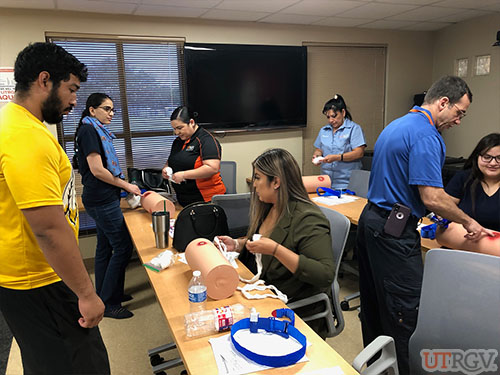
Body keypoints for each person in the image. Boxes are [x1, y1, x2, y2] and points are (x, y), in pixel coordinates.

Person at [355, 75, 494, 374]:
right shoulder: (427, 136)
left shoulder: (397, 126)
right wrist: (469, 221)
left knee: (375, 303)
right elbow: (431, 196)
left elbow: (405, 187)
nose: (458, 121)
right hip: (393, 229)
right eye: (459, 113)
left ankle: (380, 367)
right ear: (443, 102)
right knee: (406, 309)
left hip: (373, 220)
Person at [0, 42, 110, 374]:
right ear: (44, 80)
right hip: (40, 279)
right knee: (80, 364)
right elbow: (48, 229)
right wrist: (87, 293)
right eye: (71, 89)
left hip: (29, 276)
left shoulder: (19, 124)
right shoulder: (25, 137)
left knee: (47, 361)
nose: (76, 100)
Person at [216, 148, 335, 338]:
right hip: (264, 291)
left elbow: (324, 275)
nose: (253, 185)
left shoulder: (308, 218)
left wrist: (276, 250)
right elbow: (262, 240)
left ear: (276, 182)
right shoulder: (270, 207)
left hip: (292, 309)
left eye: (257, 178)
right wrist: (238, 245)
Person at [74, 93, 141, 319]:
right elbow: (97, 169)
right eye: (106, 109)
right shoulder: (89, 131)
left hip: (102, 197)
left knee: (104, 246)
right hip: (101, 199)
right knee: (122, 247)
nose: (111, 113)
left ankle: (106, 294)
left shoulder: (97, 129)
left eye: (113, 110)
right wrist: (127, 185)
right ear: (92, 110)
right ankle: (110, 303)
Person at [436, 133, 500, 256]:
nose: (493, 163)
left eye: (499, 158)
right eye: (487, 157)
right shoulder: (464, 178)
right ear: (477, 157)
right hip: (459, 253)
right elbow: (442, 213)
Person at [162, 106, 226, 206]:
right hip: (184, 199)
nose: (176, 132)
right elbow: (172, 160)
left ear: (191, 122)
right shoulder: (178, 141)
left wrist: (183, 175)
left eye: (180, 128)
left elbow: (212, 168)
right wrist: (166, 168)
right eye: (174, 129)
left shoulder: (206, 140)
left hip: (206, 200)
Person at [313, 94, 366, 189]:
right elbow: (319, 149)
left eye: (334, 116)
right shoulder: (324, 130)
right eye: (328, 117)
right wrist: (317, 156)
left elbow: (359, 153)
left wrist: (337, 157)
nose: (331, 120)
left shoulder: (354, 129)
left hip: (347, 183)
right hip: (326, 182)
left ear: (343, 112)